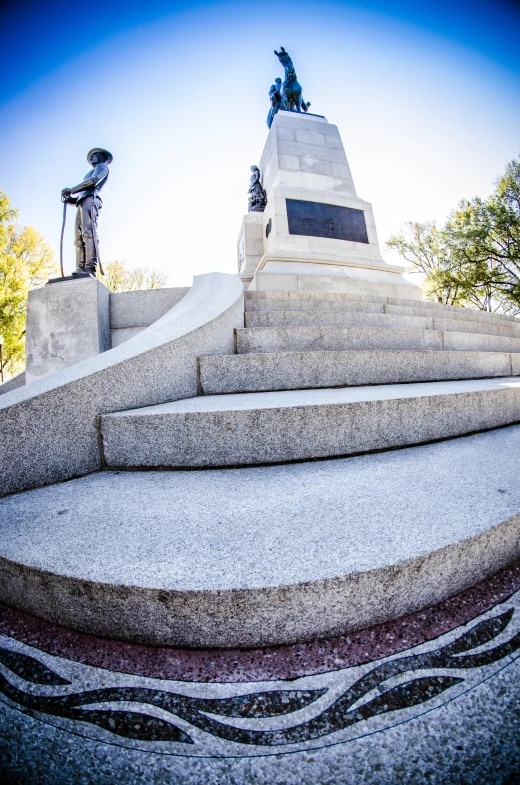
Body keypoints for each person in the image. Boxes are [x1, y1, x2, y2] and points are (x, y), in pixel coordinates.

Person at [61, 147, 113, 277]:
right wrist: (69, 199)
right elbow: (82, 193)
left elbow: (93, 181)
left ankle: (90, 266)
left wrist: (72, 190)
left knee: (88, 232)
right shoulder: (91, 171)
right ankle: (80, 268)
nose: (91, 158)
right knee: (78, 237)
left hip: (91, 200)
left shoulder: (102, 167)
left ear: (102, 157)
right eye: (91, 156)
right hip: (82, 202)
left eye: (94, 155)